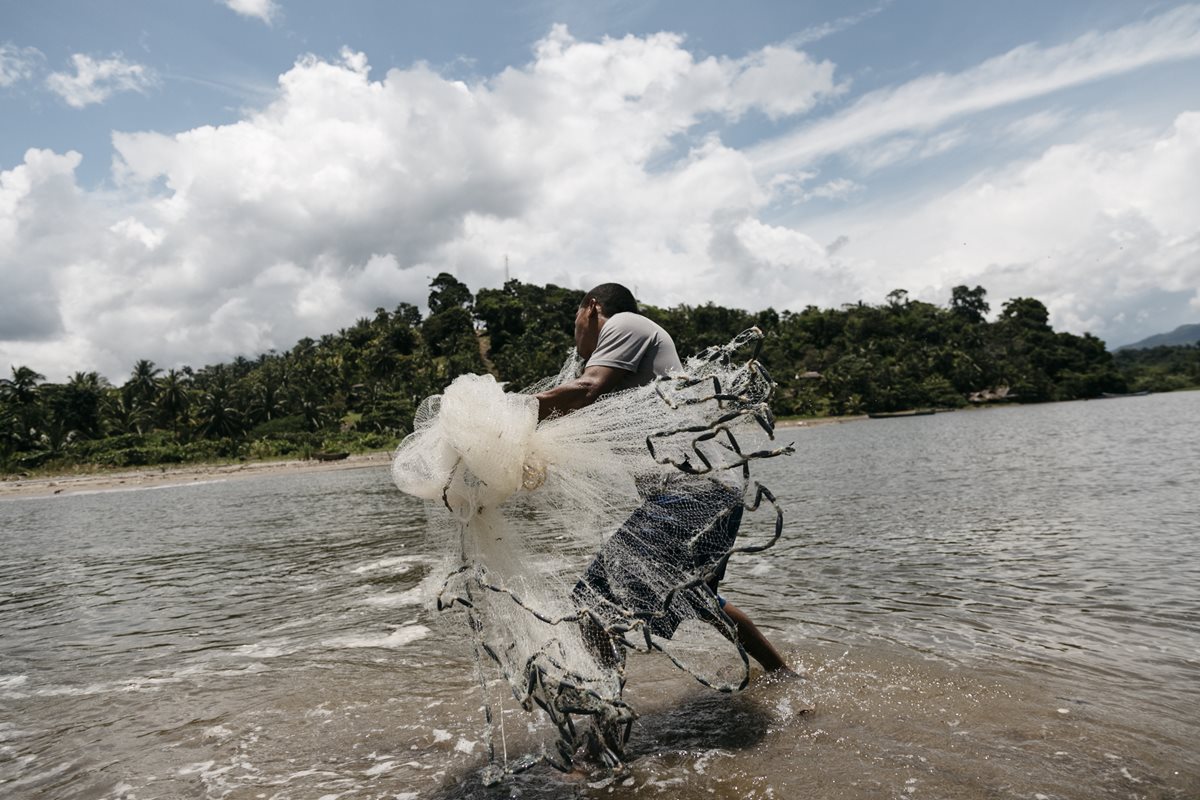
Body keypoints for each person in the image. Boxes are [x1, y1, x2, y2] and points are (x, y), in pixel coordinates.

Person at [535, 283, 792, 675]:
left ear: (591, 309)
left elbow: (586, 390)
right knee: (696, 599)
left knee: (590, 608)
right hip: (710, 492)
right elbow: (566, 410)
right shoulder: (620, 362)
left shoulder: (625, 324)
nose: (576, 336)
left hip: (692, 493)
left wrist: (506, 411)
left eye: (575, 324)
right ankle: (786, 677)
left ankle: (609, 727)